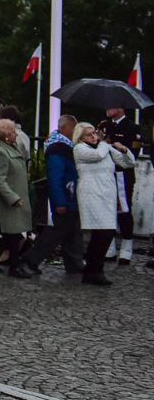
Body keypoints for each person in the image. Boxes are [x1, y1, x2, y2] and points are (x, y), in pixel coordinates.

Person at [73, 122, 135, 287]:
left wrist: (124, 150)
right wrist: (104, 143)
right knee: (104, 232)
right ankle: (95, 270)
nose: (94, 136)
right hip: (92, 194)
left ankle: (92, 270)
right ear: (80, 137)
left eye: (94, 133)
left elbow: (128, 163)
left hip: (107, 195)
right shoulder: (80, 149)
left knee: (103, 233)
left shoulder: (104, 148)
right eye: (89, 134)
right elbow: (98, 156)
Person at [20, 114, 84, 273]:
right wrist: (60, 202)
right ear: (66, 128)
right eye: (74, 127)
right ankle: (32, 257)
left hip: (69, 197)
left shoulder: (63, 148)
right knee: (59, 232)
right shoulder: (59, 150)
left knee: (71, 231)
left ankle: (73, 262)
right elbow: (55, 178)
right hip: (66, 197)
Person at [0, 119, 34, 278]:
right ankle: (14, 266)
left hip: (9, 200)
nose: (16, 134)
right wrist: (12, 198)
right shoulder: (0, 152)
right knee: (12, 232)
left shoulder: (7, 148)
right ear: (6, 136)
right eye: (13, 131)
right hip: (5, 202)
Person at [99, 107, 140, 266]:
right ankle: (109, 249)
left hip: (123, 174)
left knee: (124, 211)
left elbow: (133, 154)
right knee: (107, 211)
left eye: (111, 106)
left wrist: (120, 149)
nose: (107, 109)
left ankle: (126, 249)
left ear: (121, 108)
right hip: (106, 173)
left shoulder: (132, 128)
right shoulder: (104, 126)